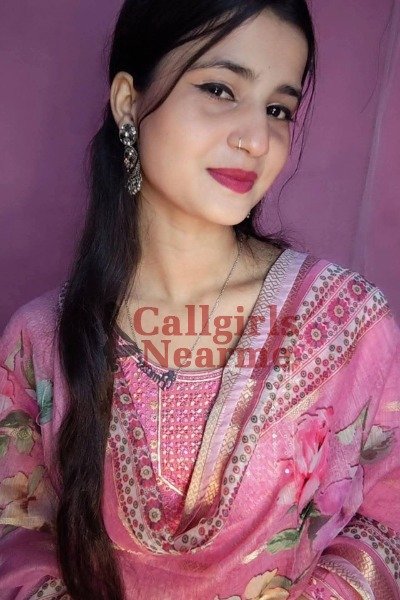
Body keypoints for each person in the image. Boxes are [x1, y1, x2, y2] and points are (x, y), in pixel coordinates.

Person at [1, 0, 399, 598]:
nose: (257, 139)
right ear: (128, 101)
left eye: (278, 109)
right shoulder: (40, 341)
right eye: (220, 89)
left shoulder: (348, 326)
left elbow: (387, 521)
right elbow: (18, 535)